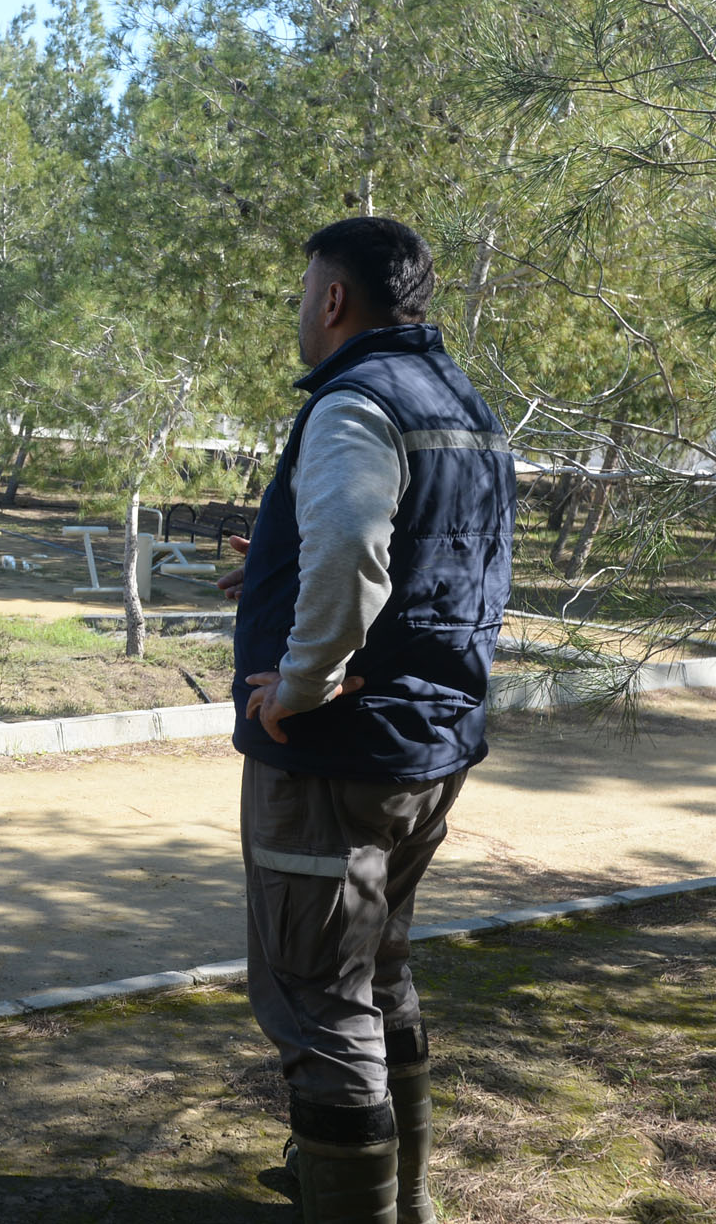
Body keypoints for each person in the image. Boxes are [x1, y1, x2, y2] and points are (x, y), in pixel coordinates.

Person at [217, 217, 514, 1223]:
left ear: (334, 298)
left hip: (334, 754)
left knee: (316, 996)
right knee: (377, 970)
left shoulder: (355, 399)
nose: (302, 309)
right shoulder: (462, 402)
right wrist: (276, 569)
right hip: (430, 743)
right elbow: (435, 557)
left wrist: (303, 678)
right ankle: (406, 1198)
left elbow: (351, 545)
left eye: (306, 291)